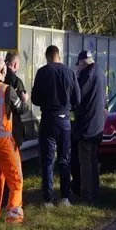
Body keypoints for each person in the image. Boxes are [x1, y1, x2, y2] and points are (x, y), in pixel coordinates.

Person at [0, 58, 31, 223]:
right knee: (16, 178)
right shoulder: (7, 90)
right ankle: (14, 215)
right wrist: (24, 99)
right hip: (4, 141)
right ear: (3, 72)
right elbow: (22, 109)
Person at [31, 45, 81, 207]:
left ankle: (48, 198)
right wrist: (68, 108)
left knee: (47, 160)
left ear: (47, 57)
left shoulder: (42, 72)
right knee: (64, 159)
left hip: (48, 119)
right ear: (58, 56)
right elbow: (77, 99)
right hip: (65, 120)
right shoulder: (69, 72)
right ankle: (65, 197)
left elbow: (35, 99)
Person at [70, 51, 107, 203]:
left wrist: (77, 79)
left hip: (87, 126)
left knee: (85, 161)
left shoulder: (87, 75)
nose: (78, 68)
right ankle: (94, 191)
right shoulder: (100, 72)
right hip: (97, 125)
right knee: (92, 160)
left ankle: (86, 195)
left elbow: (78, 95)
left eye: (78, 65)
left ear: (83, 63)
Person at [0, 51, 28, 208]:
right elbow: (20, 109)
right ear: (15, 64)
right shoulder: (16, 82)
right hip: (12, 131)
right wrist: (25, 101)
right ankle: (14, 206)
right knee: (14, 172)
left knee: (1, 171)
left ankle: (0, 204)